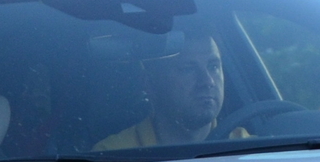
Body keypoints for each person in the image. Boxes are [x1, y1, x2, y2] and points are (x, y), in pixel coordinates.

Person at [94, 32, 250, 150]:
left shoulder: (250, 148)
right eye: (188, 69)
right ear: (149, 83)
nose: (207, 81)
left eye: (213, 66)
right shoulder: (113, 154)